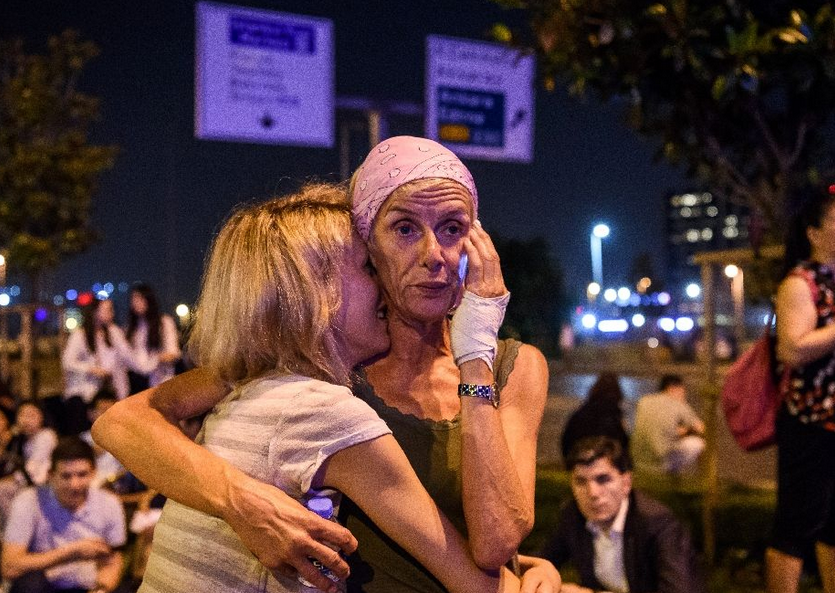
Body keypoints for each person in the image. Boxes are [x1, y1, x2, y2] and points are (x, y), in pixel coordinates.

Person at [93, 137, 558, 593]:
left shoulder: (516, 368)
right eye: (405, 229)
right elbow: (125, 421)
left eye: (453, 228)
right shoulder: (319, 364)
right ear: (367, 245)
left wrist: (475, 356)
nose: (433, 255)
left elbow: (498, 539)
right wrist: (241, 501)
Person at [766, 186, 835, 593]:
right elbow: (791, 348)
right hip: (809, 423)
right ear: (814, 230)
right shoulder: (798, 283)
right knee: (794, 527)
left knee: (833, 525)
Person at [542, 436, 703, 593]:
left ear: (626, 483)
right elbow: (543, 562)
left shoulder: (658, 524)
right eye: (581, 482)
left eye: (603, 479)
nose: (593, 493)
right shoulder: (573, 516)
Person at [1, 436, 127, 593]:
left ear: (93, 472)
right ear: (51, 474)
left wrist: (101, 589)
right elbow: (9, 566)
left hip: (88, 585)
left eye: (82, 475)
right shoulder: (29, 500)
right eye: (66, 476)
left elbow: (113, 561)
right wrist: (71, 552)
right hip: (45, 585)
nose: (74, 485)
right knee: (29, 584)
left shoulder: (109, 503)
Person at [61, 298, 131, 433]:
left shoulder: (113, 332)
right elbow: (67, 362)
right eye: (107, 309)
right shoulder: (80, 334)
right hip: (84, 393)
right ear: (95, 312)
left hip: (107, 391)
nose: (112, 313)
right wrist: (91, 369)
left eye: (112, 309)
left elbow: (128, 356)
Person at [630, 375, 705, 475]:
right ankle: (703, 479)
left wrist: (683, 430)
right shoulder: (678, 402)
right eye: (683, 390)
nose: (684, 394)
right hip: (661, 462)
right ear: (674, 388)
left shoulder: (644, 400)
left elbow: (658, 429)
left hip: (638, 460)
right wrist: (690, 430)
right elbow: (701, 428)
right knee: (698, 443)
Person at [0, 402, 59, 526]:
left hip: (42, 484)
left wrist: (10, 479)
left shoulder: (46, 435)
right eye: (22, 415)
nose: (26, 420)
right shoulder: (23, 440)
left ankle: (16, 528)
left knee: (2, 489)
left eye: (31, 415)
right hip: (27, 482)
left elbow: (32, 469)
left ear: (41, 417)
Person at [124, 283, 181, 394]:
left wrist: (156, 360)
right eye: (133, 299)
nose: (136, 303)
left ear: (148, 299)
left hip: (160, 381)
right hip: (137, 382)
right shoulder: (131, 328)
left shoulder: (164, 322)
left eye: (140, 298)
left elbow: (173, 353)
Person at [561, 372, 629, 462]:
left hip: (578, 459)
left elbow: (566, 439)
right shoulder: (615, 416)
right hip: (605, 462)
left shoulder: (581, 413)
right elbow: (624, 443)